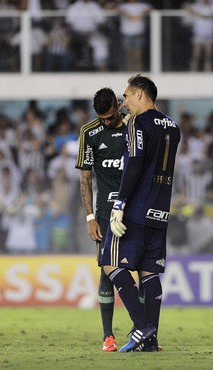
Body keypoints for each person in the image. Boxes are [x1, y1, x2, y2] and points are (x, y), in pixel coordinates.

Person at [101, 74, 180, 352]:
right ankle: (151, 341)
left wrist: (120, 204)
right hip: (161, 209)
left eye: (126, 96)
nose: (123, 103)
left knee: (110, 263)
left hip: (137, 207)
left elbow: (134, 163)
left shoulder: (138, 122)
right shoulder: (173, 126)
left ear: (140, 94)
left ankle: (142, 326)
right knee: (149, 272)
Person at [75, 88, 130, 351]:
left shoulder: (135, 125)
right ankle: (108, 336)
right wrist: (90, 217)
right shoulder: (90, 133)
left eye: (110, 117)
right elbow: (85, 178)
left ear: (119, 106)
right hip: (106, 213)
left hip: (135, 209)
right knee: (107, 270)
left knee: (141, 269)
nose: (106, 122)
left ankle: (143, 332)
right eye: (102, 118)